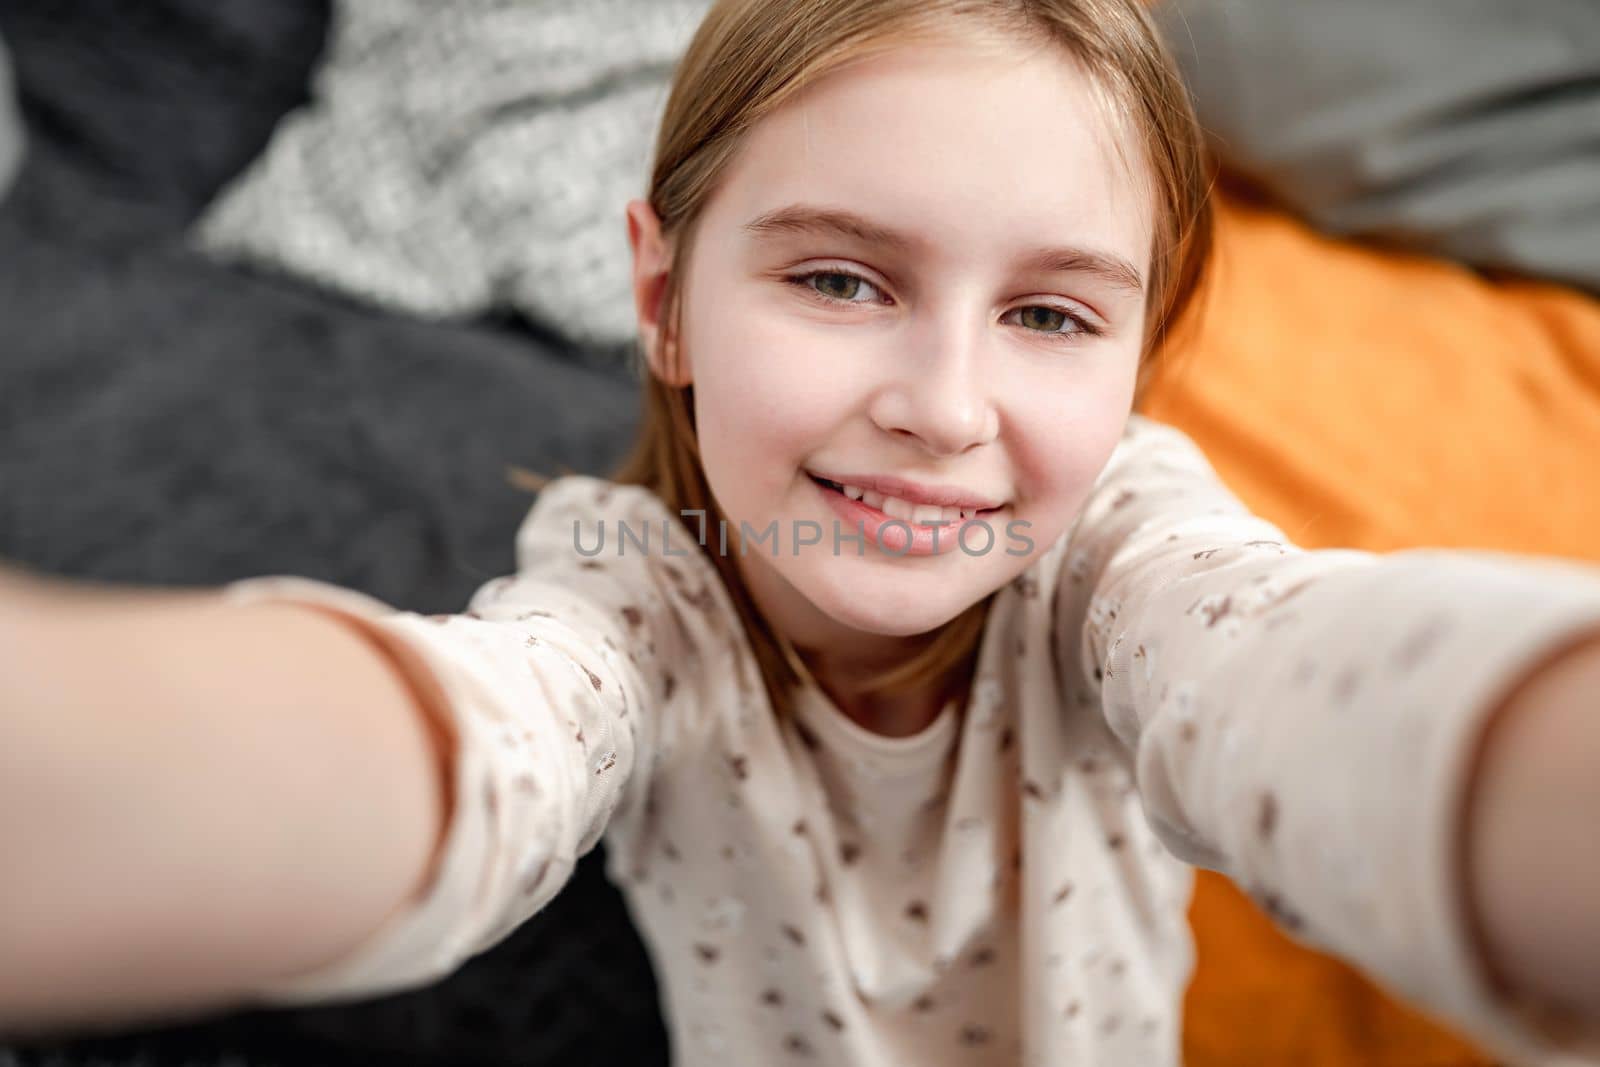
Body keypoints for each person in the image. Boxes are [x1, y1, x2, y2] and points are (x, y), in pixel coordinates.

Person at [2, 0, 1599, 1063]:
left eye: (1050, 313)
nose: (945, 405)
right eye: (840, 280)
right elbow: (482, 739)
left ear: (1140, 359)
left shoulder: (1121, 554)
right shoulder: (638, 590)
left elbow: (1297, 675)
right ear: (661, 299)